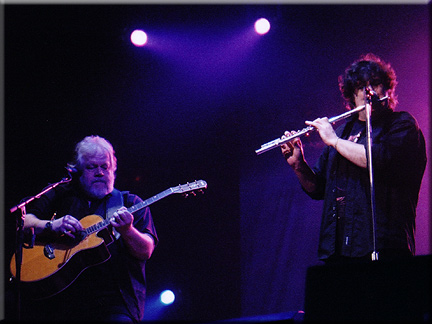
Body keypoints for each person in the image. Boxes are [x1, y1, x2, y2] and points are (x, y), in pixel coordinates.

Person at [281, 53, 426, 263]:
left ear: (387, 89)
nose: (369, 92)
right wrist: (299, 166)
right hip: (339, 251)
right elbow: (318, 187)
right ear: (351, 95)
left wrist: (334, 141)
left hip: (386, 247)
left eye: (375, 84)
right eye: (361, 87)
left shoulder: (401, 124)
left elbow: (379, 159)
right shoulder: (341, 131)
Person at [16, 135, 158, 322]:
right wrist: (51, 225)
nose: (100, 173)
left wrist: (128, 230)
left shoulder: (130, 202)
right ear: (77, 171)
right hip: (61, 299)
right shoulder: (62, 194)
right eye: (92, 167)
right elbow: (23, 221)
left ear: (113, 169)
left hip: (115, 303)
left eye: (104, 167)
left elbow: (146, 250)